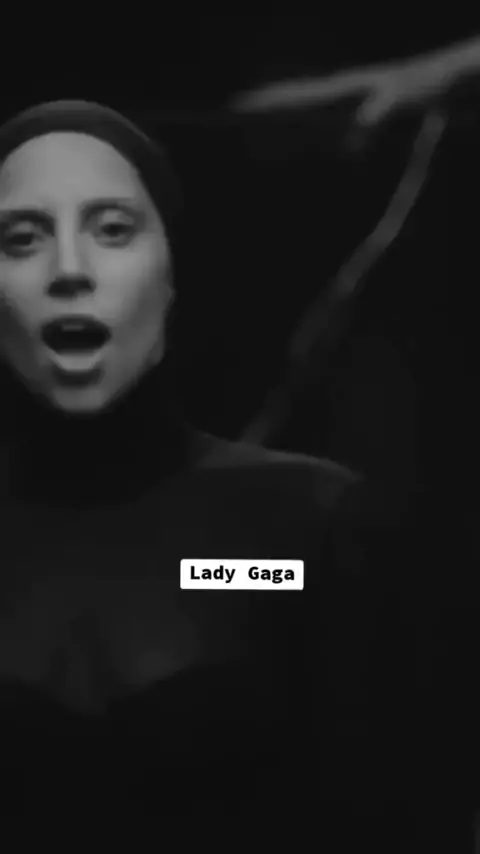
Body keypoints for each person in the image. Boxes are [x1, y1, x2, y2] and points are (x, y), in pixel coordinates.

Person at [0, 100, 404, 830]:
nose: (69, 270)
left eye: (112, 229)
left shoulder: (297, 530)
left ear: (172, 272)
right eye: (22, 239)